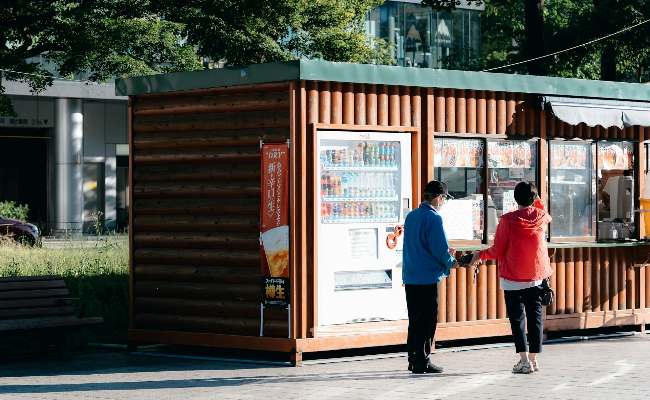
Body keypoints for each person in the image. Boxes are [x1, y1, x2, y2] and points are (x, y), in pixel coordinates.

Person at [470, 182, 552, 374]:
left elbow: (497, 250)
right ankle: (533, 359)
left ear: (515, 199)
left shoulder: (507, 220)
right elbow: (544, 210)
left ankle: (523, 360)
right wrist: (537, 198)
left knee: (517, 319)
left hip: (513, 278)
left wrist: (478, 255)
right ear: (534, 198)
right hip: (536, 276)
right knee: (535, 318)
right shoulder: (541, 217)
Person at [402, 180, 457, 374]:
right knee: (427, 321)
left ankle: (412, 359)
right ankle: (422, 361)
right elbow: (439, 250)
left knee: (415, 321)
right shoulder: (434, 219)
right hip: (427, 278)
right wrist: (451, 261)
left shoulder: (411, 217)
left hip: (410, 276)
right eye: (444, 199)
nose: (443, 202)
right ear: (439, 197)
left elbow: (419, 245)